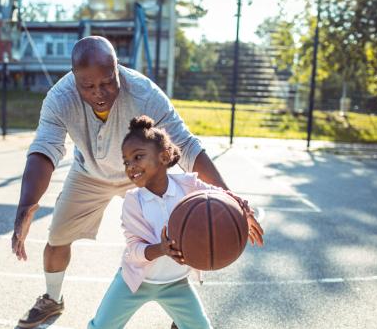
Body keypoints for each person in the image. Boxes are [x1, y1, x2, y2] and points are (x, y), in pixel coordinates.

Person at [11, 36, 264, 328]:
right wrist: (26, 204)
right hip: (89, 173)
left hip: (143, 173)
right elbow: (44, 149)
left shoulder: (143, 93)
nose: (99, 92)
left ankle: (183, 315)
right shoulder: (60, 98)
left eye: (107, 82)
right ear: (74, 78)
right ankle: (52, 300)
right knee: (56, 238)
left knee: (191, 228)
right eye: (88, 86)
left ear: (117, 69)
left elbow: (188, 146)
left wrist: (229, 197)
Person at [87, 116, 264, 329]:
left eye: (138, 157)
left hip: (176, 283)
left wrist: (241, 207)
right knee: (100, 326)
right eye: (126, 161)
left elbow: (220, 196)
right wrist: (162, 249)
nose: (130, 166)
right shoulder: (134, 200)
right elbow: (134, 250)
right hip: (135, 282)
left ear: (163, 156)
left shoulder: (188, 185)